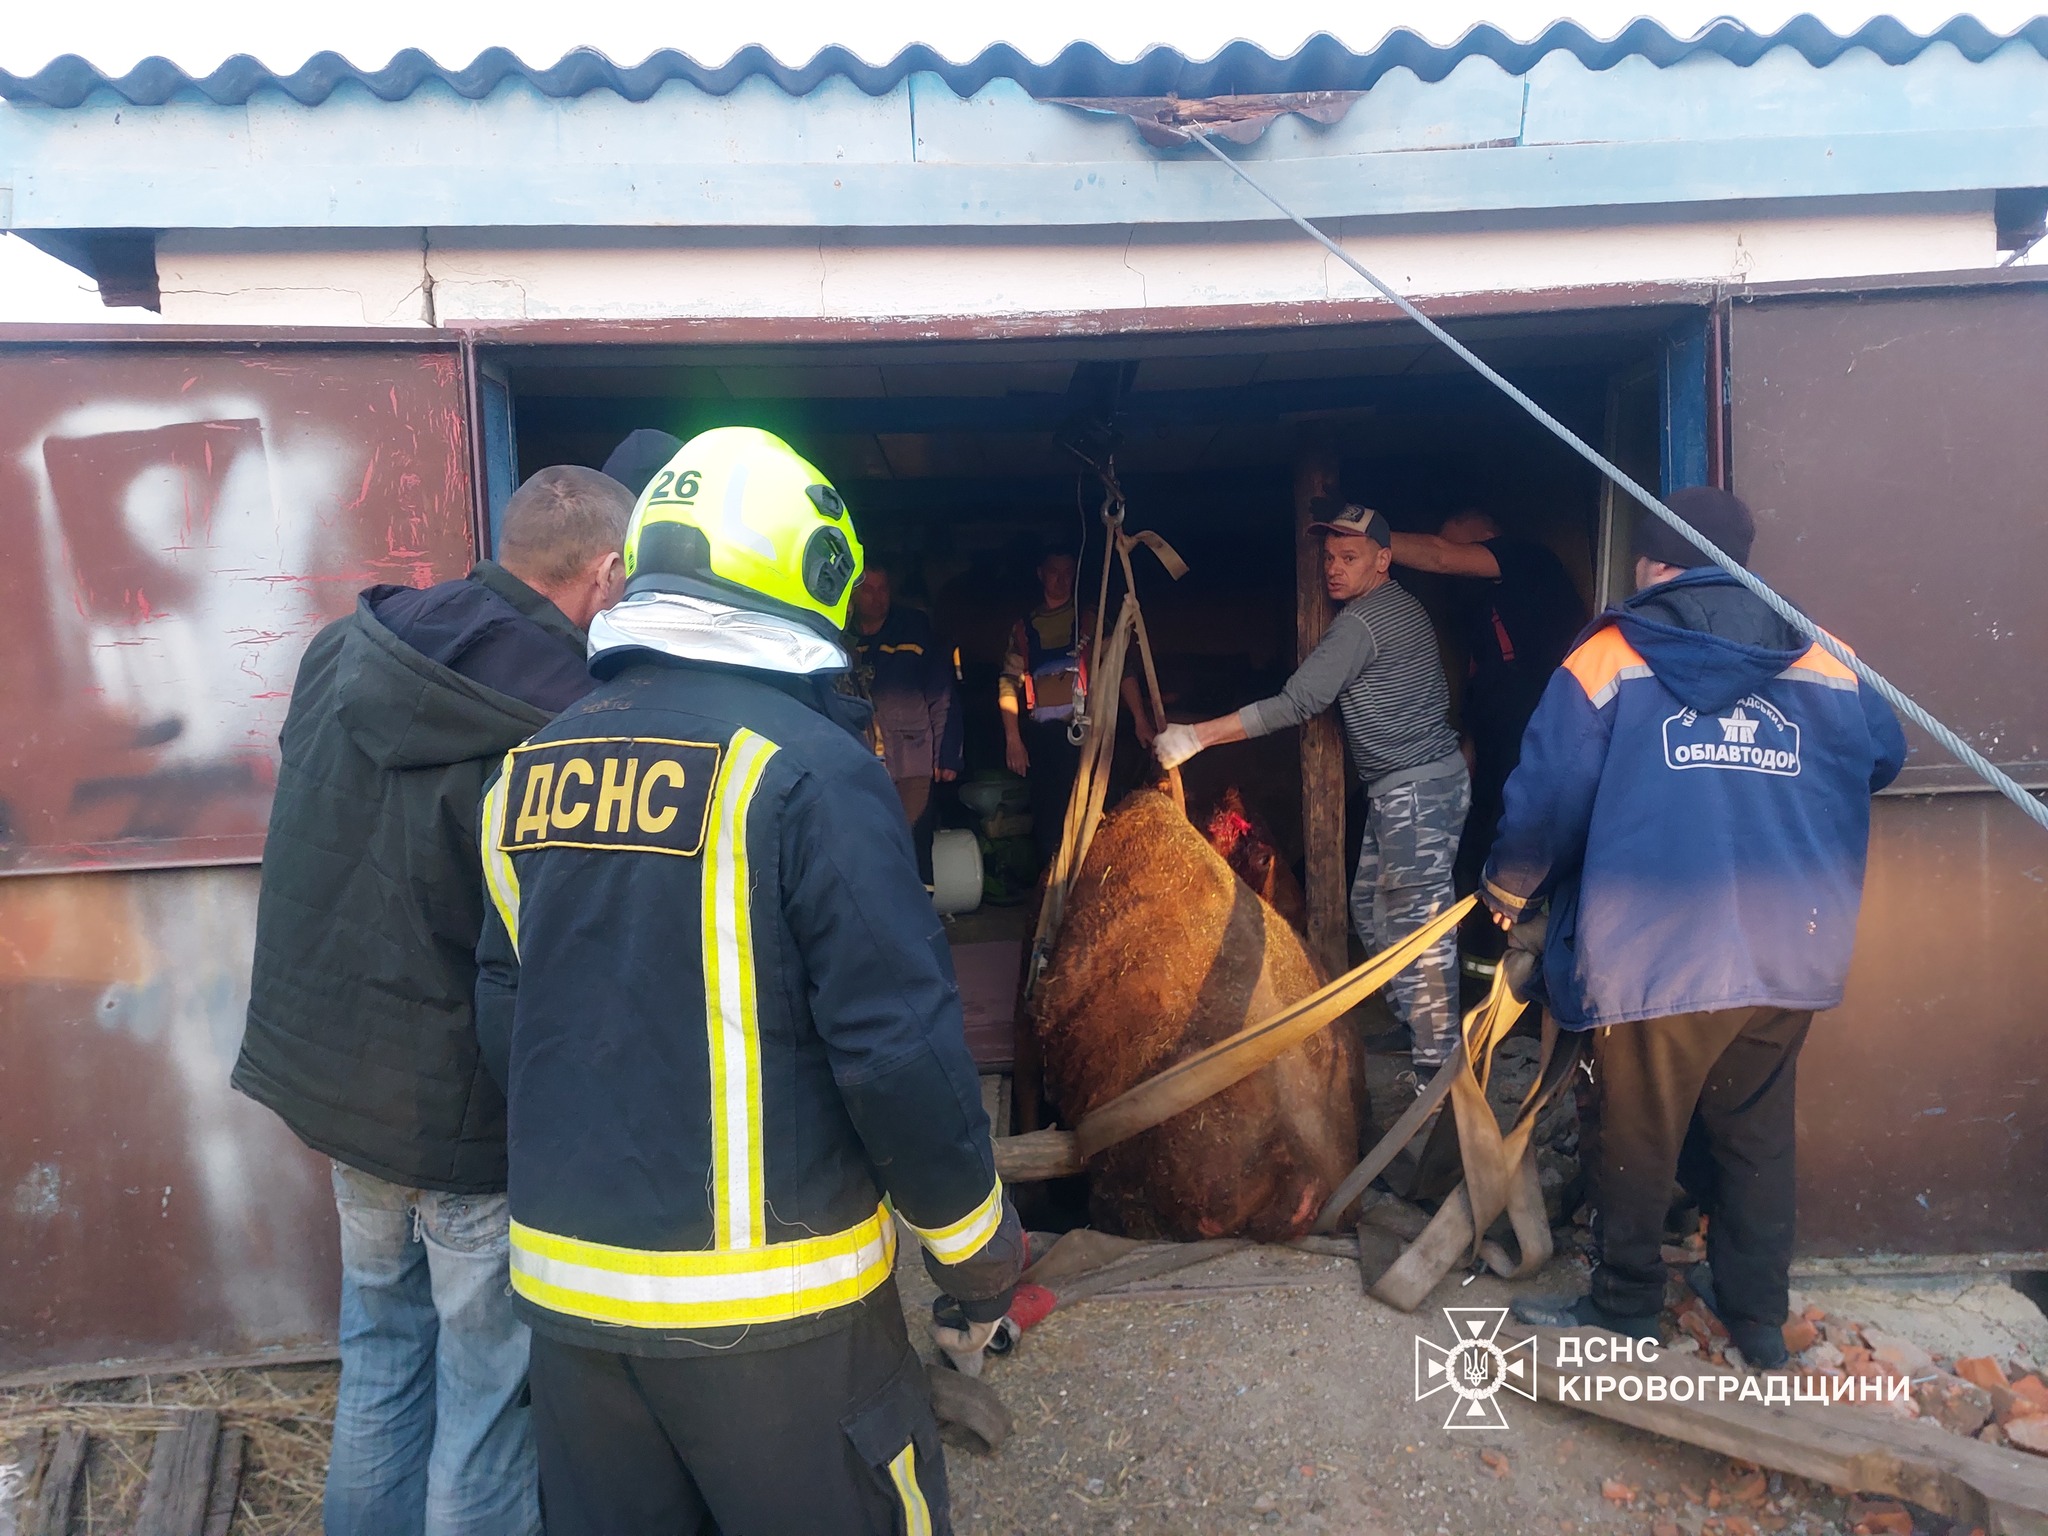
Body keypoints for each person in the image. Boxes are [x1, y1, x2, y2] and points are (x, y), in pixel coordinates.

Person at [474, 426, 1025, 1536]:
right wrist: (977, 1251)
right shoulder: (810, 772)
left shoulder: (526, 773)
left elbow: (507, 1022)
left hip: (574, 1312)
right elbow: (896, 1049)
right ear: (809, 575)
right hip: (776, 1322)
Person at [234, 466, 634, 1536]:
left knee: (378, 1351)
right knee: (487, 1394)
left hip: (338, 1089)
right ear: (604, 573)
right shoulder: (569, 720)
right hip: (466, 1120)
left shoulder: (344, 651)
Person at [1491, 488, 1904, 1365]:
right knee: (1755, 1129)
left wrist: (1509, 883)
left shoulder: (1610, 654)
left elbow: (1551, 790)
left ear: (1650, 563)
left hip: (1656, 946)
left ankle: (1627, 1304)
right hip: (1790, 941)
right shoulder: (1826, 656)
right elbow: (1883, 757)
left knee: (1638, 1127)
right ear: (1740, 562)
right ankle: (1755, 1317)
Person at [1153, 502, 1469, 1081]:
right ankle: (1418, 1028)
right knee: (1372, 915)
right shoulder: (1402, 606)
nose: (1334, 568)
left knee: (1419, 928)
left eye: (1350, 557)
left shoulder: (1362, 624)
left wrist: (1196, 737)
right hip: (1411, 785)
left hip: (1415, 792)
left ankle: (1440, 1067)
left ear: (1383, 561)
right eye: (1328, 557)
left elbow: (1297, 702)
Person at [1389, 510, 1586, 905]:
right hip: (1499, 747)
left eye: (1459, 538)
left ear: (1490, 534)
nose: (1446, 545)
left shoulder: (1528, 559)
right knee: (1478, 850)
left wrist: (1363, 532)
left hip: (1546, 737)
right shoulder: (1480, 611)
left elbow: (1439, 555)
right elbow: (1481, 696)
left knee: (1525, 853)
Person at [1000, 545, 1155, 868]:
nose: (1062, 579)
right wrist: (1013, 739)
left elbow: (1121, 668)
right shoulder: (1023, 630)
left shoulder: (1092, 620)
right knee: (1049, 822)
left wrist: (1140, 718)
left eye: (1068, 572)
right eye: (1054, 572)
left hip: (1087, 736)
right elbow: (1008, 683)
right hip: (1044, 740)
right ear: (1041, 574)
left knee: (1100, 813)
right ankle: (1051, 899)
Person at [848, 564, 961, 884]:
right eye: (869, 589)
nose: (877, 597)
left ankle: (921, 923)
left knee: (914, 842)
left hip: (913, 758)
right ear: (853, 595)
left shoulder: (914, 630)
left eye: (883, 589)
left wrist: (947, 753)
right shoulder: (840, 639)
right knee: (868, 842)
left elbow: (942, 695)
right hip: (860, 763)